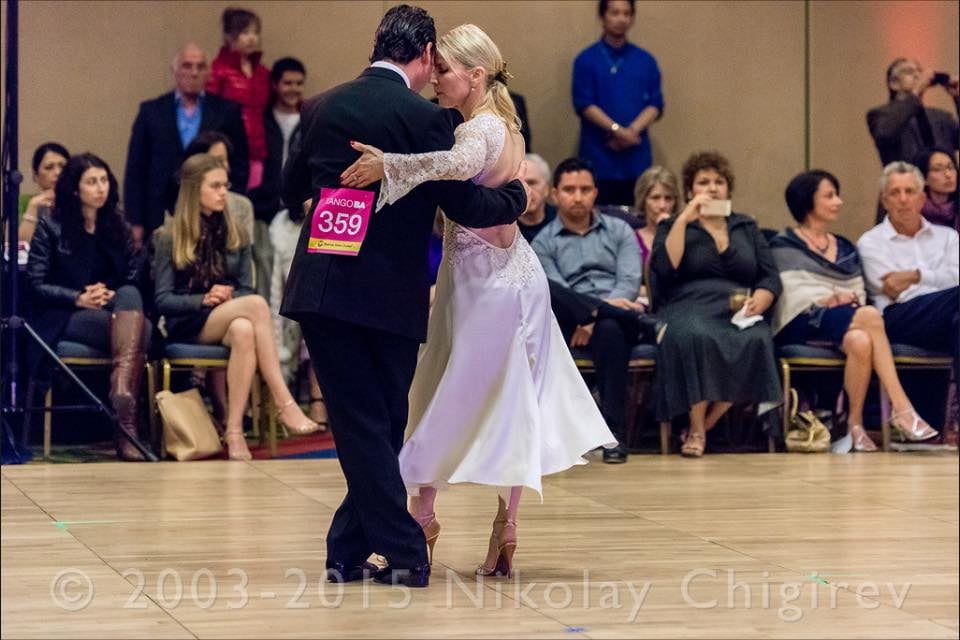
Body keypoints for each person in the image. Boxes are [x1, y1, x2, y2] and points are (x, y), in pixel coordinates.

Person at [342, 24, 615, 579]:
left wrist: (387, 164)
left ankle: (422, 517)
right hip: (511, 275)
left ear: (475, 75)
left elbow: (453, 166)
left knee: (445, 393)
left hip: (486, 286)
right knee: (512, 400)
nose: (435, 79)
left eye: (443, 70)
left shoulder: (482, 129)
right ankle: (503, 527)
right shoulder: (505, 123)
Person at [280, 5, 528, 589]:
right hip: (390, 294)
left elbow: (289, 192)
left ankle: (345, 548)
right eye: (434, 63)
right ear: (422, 57)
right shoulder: (424, 118)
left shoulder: (320, 106)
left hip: (323, 286)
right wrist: (515, 201)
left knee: (370, 423)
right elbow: (464, 205)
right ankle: (406, 551)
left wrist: (326, 202)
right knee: (381, 421)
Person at [153, 154, 319, 461]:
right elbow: (162, 300)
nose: (223, 193)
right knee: (255, 305)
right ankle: (284, 401)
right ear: (193, 190)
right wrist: (204, 299)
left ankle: (234, 432)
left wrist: (227, 298)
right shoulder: (169, 236)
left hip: (228, 317)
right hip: (187, 322)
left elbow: (245, 287)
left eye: (225, 186)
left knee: (244, 330)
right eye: (215, 186)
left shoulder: (235, 231)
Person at [770, 170, 938, 450]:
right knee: (871, 316)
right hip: (800, 322)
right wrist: (824, 301)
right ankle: (902, 407)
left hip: (843, 320)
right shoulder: (783, 245)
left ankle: (854, 427)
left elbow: (858, 291)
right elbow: (791, 293)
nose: (839, 202)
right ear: (808, 202)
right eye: (830, 196)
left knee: (860, 340)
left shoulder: (845, 246)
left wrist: (845, 298)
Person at [649, 151, 782, 458]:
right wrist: (684, 218)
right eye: (703, 182)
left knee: (757, 339)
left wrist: (763, 296)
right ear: (690, 190)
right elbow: (666, 268)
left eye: (718, 182)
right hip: (688, 304)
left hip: (737, 308)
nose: (712, 188)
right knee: (695, 336)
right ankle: (695, 428)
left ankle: (705, 426)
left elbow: (770, 275)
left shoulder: (745, 226)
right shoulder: (673, 224)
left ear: (728, 188)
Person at [26, 153, 150, 461]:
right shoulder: (51, 226)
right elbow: (36, 283)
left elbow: (134, 273)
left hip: (112, 309)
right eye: (92, 182)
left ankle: (120, 391)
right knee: (142, 331)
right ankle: (127, 423)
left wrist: (108, 292)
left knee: (131, 295)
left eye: (104, 180)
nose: (100, 188)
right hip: (67, 314)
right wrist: (78, 297)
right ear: (74, 189)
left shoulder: (116, 225)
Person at [532, 158, 651, 464]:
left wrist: (594, 314)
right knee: (604, 324)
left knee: (609, 329)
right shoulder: (543, 242)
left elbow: (628, 280)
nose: (578, 196)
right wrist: (589, 314)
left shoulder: (620, 231)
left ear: (596, 193)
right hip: (573, 321)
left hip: (609, 316)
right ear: (555, 194)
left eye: (585, 189)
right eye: (570, 190)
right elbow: (558, 293)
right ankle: (612, 436)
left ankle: (611, 434)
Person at [857, 162, 959, 433]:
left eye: (910, 191)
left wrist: (915, 276)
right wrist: (938, 279)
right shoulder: (871, 242)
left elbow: (953, 278)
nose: (903, 199)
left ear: (922, 197)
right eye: (895, 192)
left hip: (945, 317)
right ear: (884, 200)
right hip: (898, 318)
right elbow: (890, 289)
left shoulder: (948, 238)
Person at [124, 43, 249, 247]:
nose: (193, 72)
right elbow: (135, 169)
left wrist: (231, 200)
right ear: (174, 70)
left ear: (209, 72)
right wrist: (135, 221)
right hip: (159, 211)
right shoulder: (151, 111)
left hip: (211, 213)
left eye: (200, 67)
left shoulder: (227, 111)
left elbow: (240, 164)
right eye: (187, 66)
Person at [572, 0, 663, 206]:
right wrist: (617, 131)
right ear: (603, 16)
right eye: (615, 13)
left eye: (627, 13)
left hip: (636, 157)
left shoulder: (645, 60)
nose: (621, 19)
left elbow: (655, 104)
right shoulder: (586, 60)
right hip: (599, 155)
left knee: (636, 220)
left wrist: (631, 132)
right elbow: (584, 104)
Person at [248, 57, 308, 301]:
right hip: (262, 208)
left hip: (296, 210)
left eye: (298, 83)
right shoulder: (259, 120)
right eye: (287, 83)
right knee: (263, 259)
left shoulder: (309, 118)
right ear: (275, 84)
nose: (293, 89)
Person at [207, 7, 270, 191]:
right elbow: (210, 113)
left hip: (258, 149)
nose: (252, 38)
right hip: (229, 147)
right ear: (228, 35)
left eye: (255, 32)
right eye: (244, 32)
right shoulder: (218, 70)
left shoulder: (262, 72)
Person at [867, 58, 959, 167]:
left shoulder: (941, 117)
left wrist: (958, 98)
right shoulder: (880, 114)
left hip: (946, 180)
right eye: (909, 72)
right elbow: (885, 135)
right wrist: (916, 91)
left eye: (919, 71)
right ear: (894, 83)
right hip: (908, 181)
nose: (917, 75)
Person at [18, 142, 70, 244]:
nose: (58, 172)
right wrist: (33, 207)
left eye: (63, 167)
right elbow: (21, 247)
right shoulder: (24, 202)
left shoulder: (82, 201)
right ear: (35, 175)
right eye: (49, 167)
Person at [633, 165, 679, 270]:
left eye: (668, 198)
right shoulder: (630, 239)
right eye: (655, 198)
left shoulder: (685, 236)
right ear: (643, 201)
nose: (662, 205)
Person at [913, 147, 958, 231]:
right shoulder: (913, 212)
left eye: (951, 167)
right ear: (923, 178)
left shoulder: (956, 210)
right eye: (938, 169)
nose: (948, 175)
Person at [517, 153, 556, 243]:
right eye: (519, 183)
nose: (526, 190)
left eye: (531, 183)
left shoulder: (562, 221)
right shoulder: (500, 227)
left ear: (546, 189)